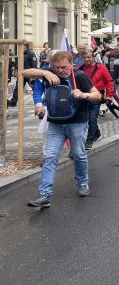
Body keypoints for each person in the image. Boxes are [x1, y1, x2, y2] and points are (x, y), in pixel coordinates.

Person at [23, 51, 102, 208]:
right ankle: (44, 195)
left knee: (79, 155)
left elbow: (98, 95)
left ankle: (83, 183)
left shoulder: (79, 76)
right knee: (50, 157)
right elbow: (23, 73)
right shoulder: (49, 73)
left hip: (77, 123)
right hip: (55, 124)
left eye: (64, 67)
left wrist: (84, 95)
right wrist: (44, 71)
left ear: (71, 64)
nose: (60, 71)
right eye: (56, 67)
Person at [81, 50, 114, 149]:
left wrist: (108, 96)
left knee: (92, 118)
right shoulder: (80, 68)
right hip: (84, 96)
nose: (87, 59)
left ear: (93, 57)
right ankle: (97, 134)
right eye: (85, 57)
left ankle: (89, 140)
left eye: (89, 57)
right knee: (87, 119)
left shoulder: (101, 68)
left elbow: (109, 82)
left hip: (97, 96)